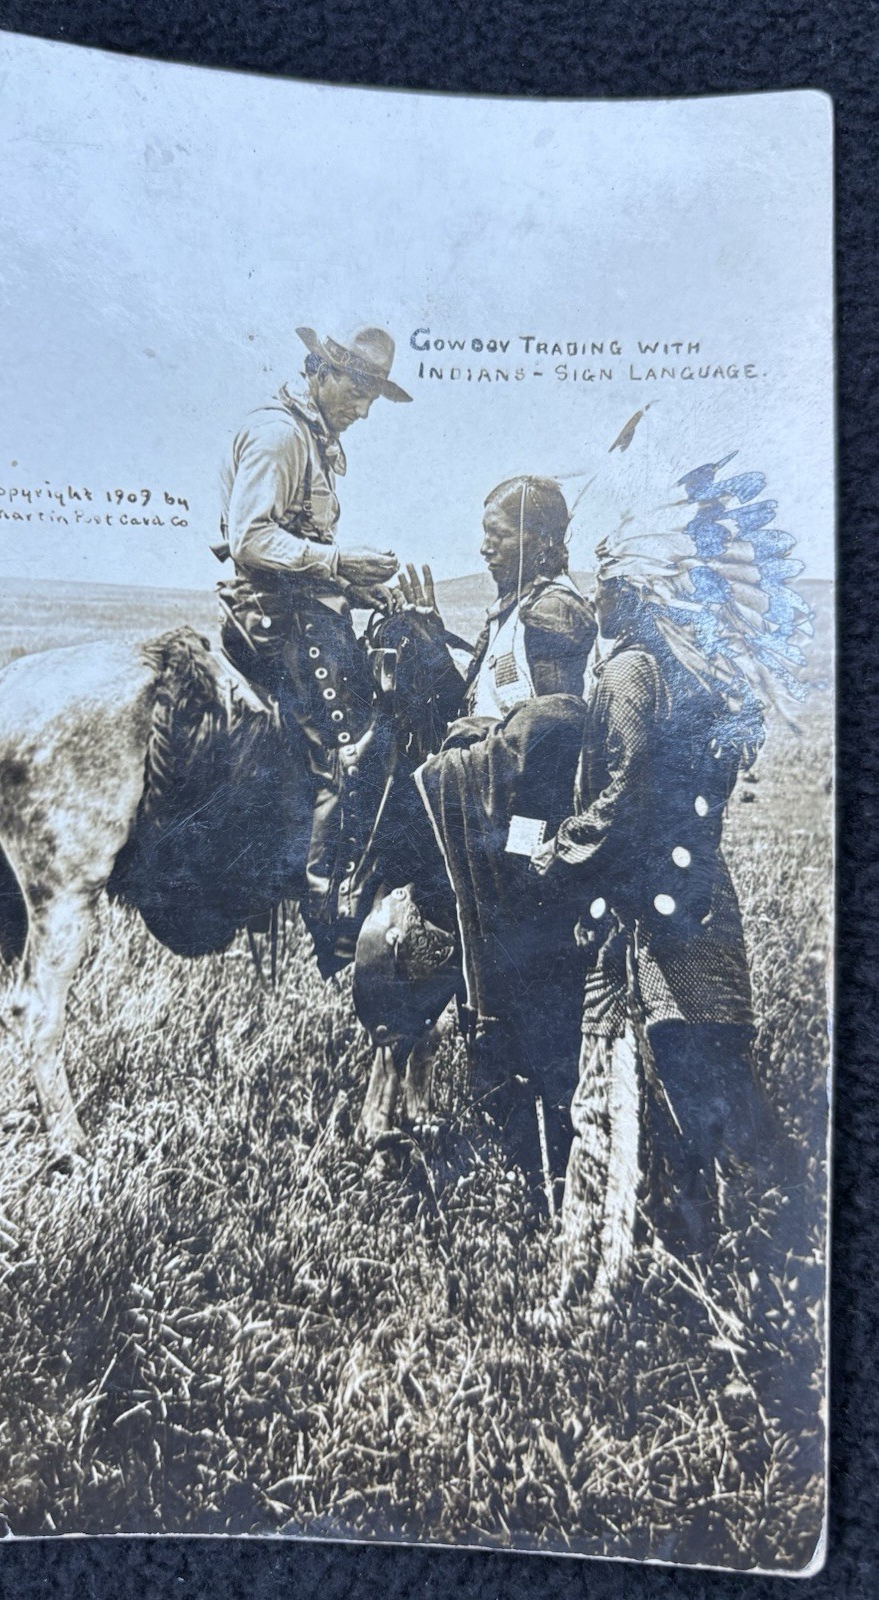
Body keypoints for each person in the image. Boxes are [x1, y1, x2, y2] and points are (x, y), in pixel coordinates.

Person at [533, 479, 814, 1286]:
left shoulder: (626, 675)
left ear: (632, 592)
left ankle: (596, 1279)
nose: (596, 600)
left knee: (606, 1097)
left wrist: (554, 852)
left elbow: (616, 803)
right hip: (702, 908)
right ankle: (768, 1250)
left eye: (605, 585)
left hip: (639, 925)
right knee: (718, 1088)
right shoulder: (695, 678)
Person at [410, 476, 597, 1190]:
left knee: (524, 980)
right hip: (494, 825)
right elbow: (481, 702)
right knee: (492, 973)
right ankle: (522, 1150)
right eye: (485, 530)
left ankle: (545, 1160)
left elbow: (555, 732)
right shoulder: (516, 610)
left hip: (523, 833)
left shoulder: (552, 613)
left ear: (545, 542)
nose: (486, 543)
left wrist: (486, 737)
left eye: (503, 532)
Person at [217, 325, 411, 972]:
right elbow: (250, 540)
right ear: (321, 374)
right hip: (278, 619)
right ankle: (329, 914)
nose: (364, 408)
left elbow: (295, 550)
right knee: (348, 752)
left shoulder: (313, 438)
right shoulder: (280, 435)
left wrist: (357, 589)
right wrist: (338, 562)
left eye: (373, 398)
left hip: (301, 610)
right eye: (358, 392)